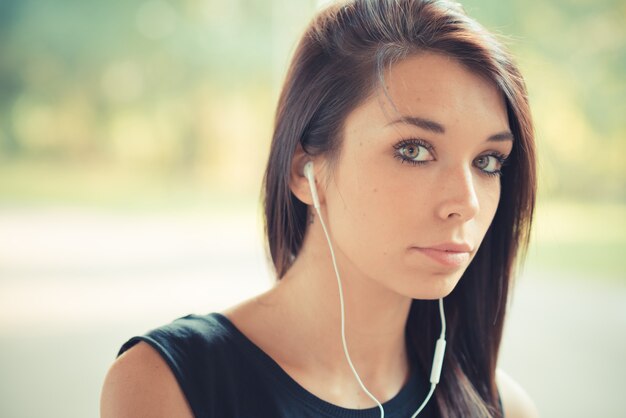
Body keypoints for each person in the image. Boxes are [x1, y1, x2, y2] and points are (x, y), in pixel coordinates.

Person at [100, 0, 540, 417]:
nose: (465, 203)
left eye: (487, 162)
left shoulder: (499, 407)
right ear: (303, 170)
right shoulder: (170, 384)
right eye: (414, 150)